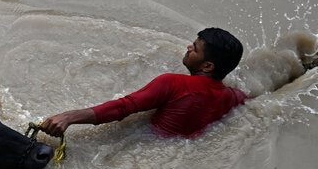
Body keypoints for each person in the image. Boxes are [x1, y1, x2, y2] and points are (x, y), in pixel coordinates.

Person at [41, 28, 247, 138]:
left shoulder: (173, 83)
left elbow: (123, 107)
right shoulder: (231, 97)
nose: (188, 48)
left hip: (146, 142)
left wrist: (68, 117)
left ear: (208, 66)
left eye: (194, 48)